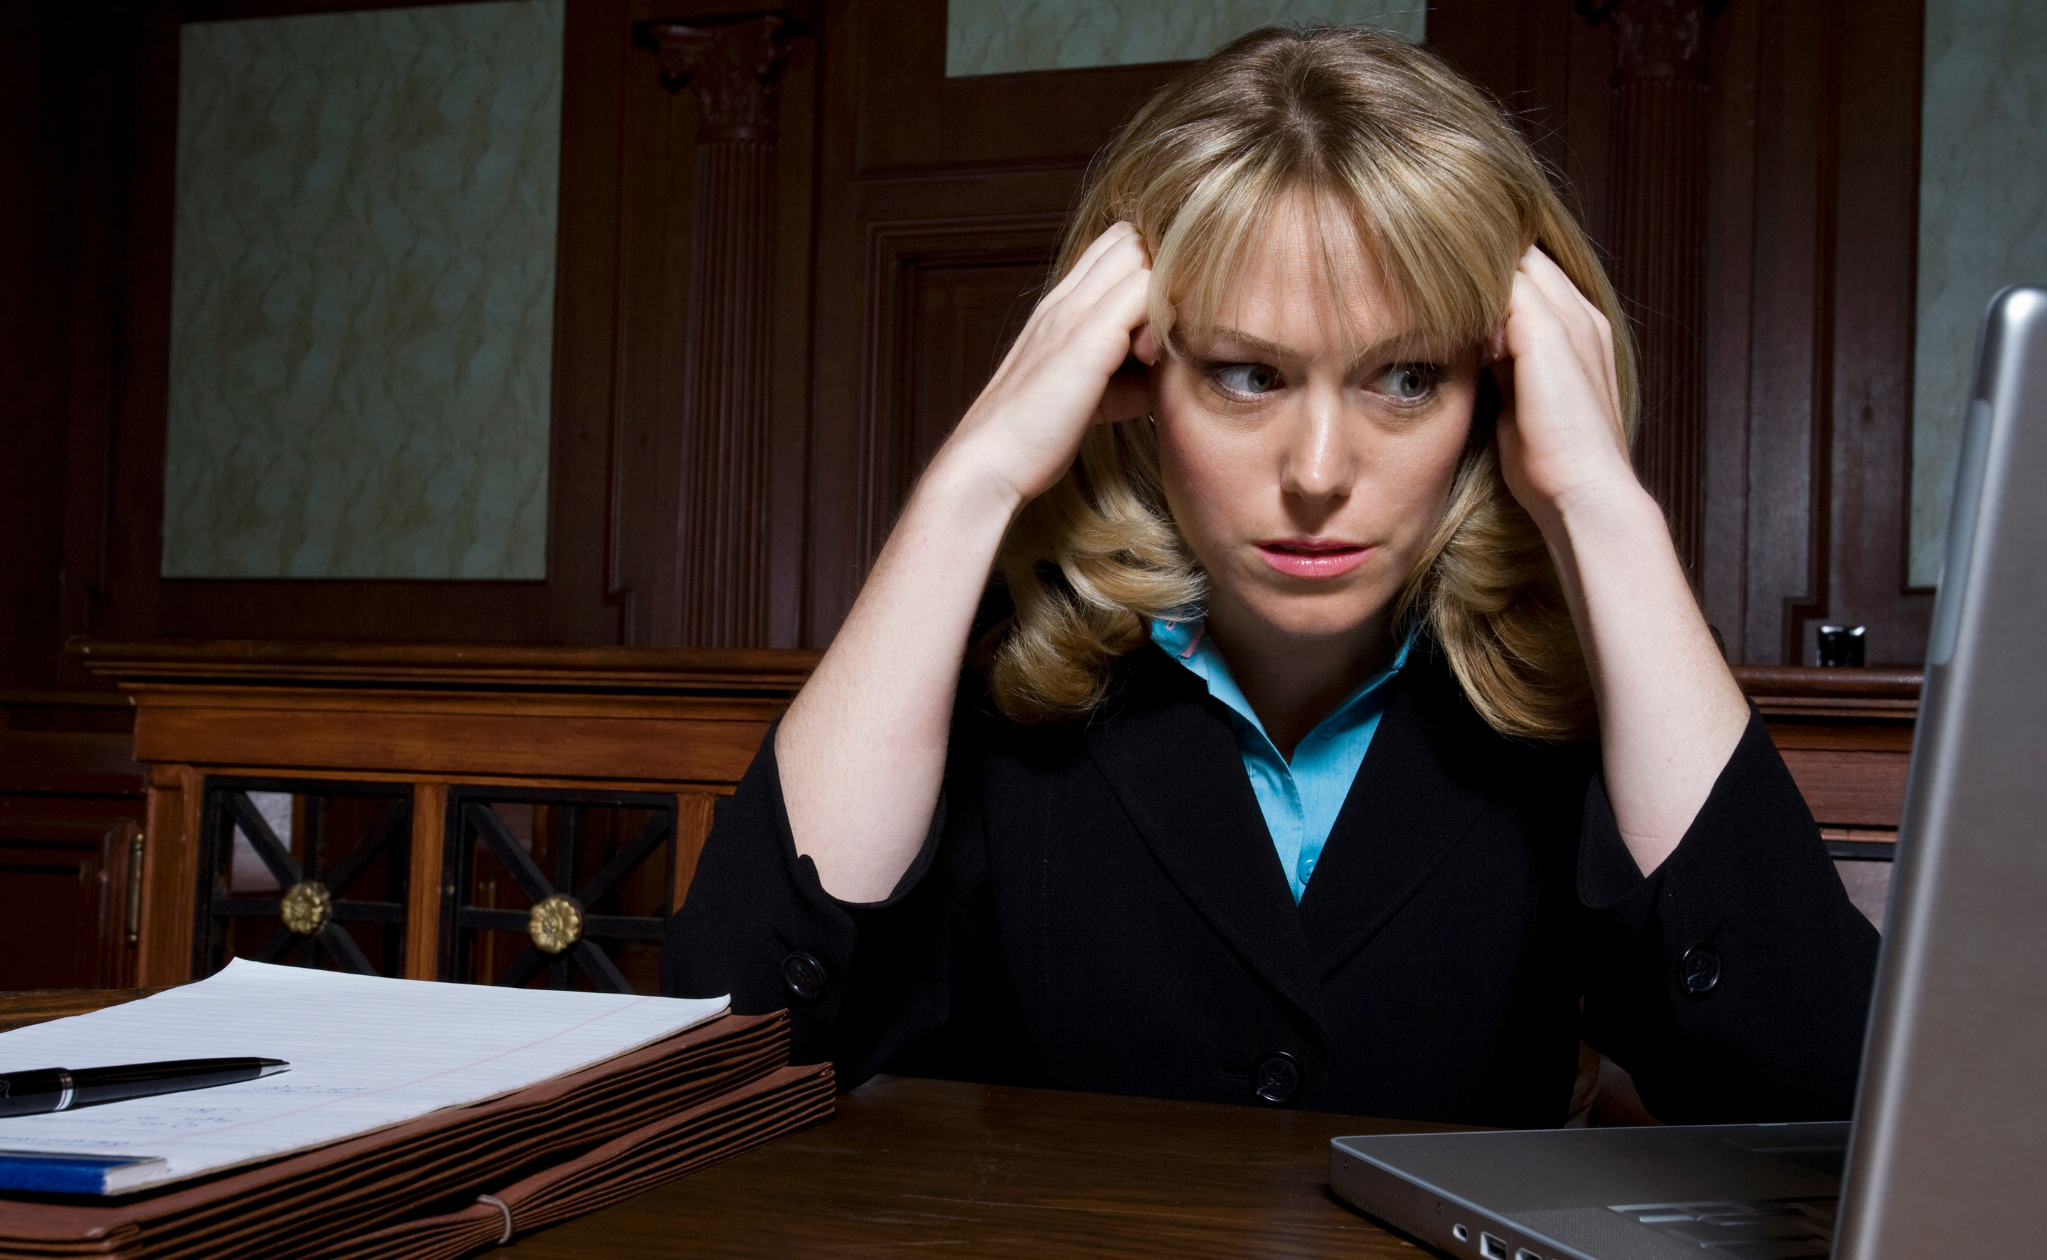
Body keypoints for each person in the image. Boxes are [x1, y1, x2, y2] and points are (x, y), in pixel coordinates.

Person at [664, 26, 1879, 1127]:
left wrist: (1600, 504)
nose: (1315, 470)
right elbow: (723, 1057)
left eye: (1404, 378)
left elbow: (1816, 1102)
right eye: (1247, 374)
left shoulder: (1585, 696)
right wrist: (970, 479)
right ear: (1134, 374)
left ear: (1496, 388)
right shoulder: (986, 681)